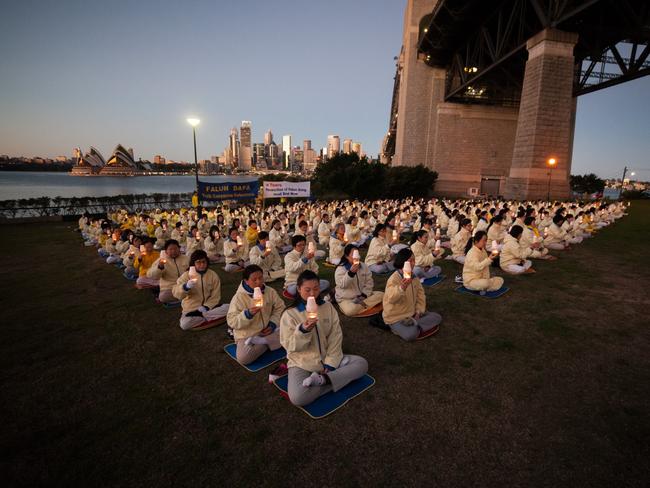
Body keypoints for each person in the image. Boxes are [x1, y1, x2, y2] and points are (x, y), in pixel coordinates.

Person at [279, 270, 368, 407]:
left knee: (361, 364)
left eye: (316, 289)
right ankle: (335, 380)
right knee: (298, 398)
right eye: (307, 290)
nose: (312, 293)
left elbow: (335, 336)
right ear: (298, 289)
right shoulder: (290, 314)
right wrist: (303, 331)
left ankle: (322, 380)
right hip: (302, 363)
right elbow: (290, 346)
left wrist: (330, 363)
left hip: (328, 358)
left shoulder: (327, 307)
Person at [226, 265, 285, 365]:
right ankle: (270, 342)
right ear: (246, 281)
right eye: (254, 280)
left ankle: (263, 341)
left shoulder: (270, 291)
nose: (259, 282)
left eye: (261, 278)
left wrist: (272, 324)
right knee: (243, 358)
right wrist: (247, 314)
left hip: (268, 330)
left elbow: (280, 307)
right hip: (248, 335)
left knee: (292, 330)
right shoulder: (238, 298)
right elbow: (232, 321)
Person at [382, 248, 442, 341]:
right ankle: (406, 326)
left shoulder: (414, 277)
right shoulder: (394, 279)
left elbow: (420, 295)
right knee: (411, 335)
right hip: (396, 317)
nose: (413, 263)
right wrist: (401, 288)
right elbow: (391, 299)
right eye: (410, 261)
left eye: (414, 260)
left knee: (437, 317)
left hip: (412, 313)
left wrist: (418, 311)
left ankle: (414, 324)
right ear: (403, 262)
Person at [172, 250, 230, 330]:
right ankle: (209, 317)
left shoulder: (213, 275)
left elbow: (215, 296)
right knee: (184, 324)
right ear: (193, 264)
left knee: (229, 307)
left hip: (209, 308)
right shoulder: (186, 276)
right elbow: (176, 294)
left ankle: (203, 316)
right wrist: (186, 287)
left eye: (204, 262)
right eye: (198, 262)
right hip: (191, 310)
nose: (202, 265)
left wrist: (205, 307)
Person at [335, 244, 384, 317]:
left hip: (363, 296)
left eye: (357, 254)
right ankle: (365, 305)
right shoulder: (340, 269)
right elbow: (342, 286)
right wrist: (351, 273)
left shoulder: (364, 266)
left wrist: (364, 294)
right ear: (347, 256)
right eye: (353, 254)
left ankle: (362, 305)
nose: (357, 257)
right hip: (347, 299)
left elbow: (369, 283)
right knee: (350, 310)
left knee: (382, 295)